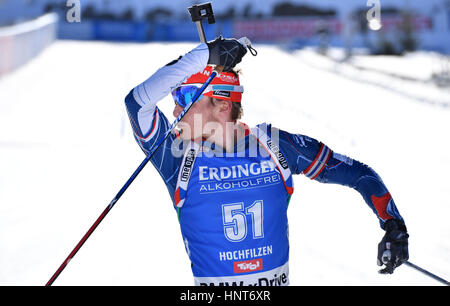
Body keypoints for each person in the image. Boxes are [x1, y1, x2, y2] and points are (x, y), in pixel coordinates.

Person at [124, 37, 409, 286]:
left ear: (223, 105)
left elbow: (357, 174)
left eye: (185, 96)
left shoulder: (274, 145)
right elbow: (137, 102)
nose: (174, 108)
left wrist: (394, 225)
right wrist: (205, 55)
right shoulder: (176, 154)